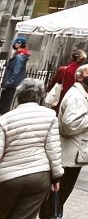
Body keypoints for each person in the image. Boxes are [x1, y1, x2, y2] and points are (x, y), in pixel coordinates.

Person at [39, 63, 88, 219]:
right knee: (59, 193)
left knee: (61, 193)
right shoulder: (76, 96)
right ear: (80, 76)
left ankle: (52, 214)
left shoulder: (87, 93)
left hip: (77, 152)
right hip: (70, 153)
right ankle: (50, 215)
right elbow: (69, 124)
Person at [0, 78, 63, 218]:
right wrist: (56, 177)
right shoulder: (50, 116)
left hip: (8, 177)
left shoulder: (5, 119)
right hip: (39, 176)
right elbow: (54, 150)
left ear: (18, 96)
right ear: (40, 96)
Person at [0, 39, 31, 116]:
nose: (13, 45)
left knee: (6, 103)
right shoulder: (19, 55)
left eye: (15, 43)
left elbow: (15, 71)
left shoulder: (19, 57)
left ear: (19, 44)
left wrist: (8, 83)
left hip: (11, 84)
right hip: (12, 83)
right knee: (5, 102)